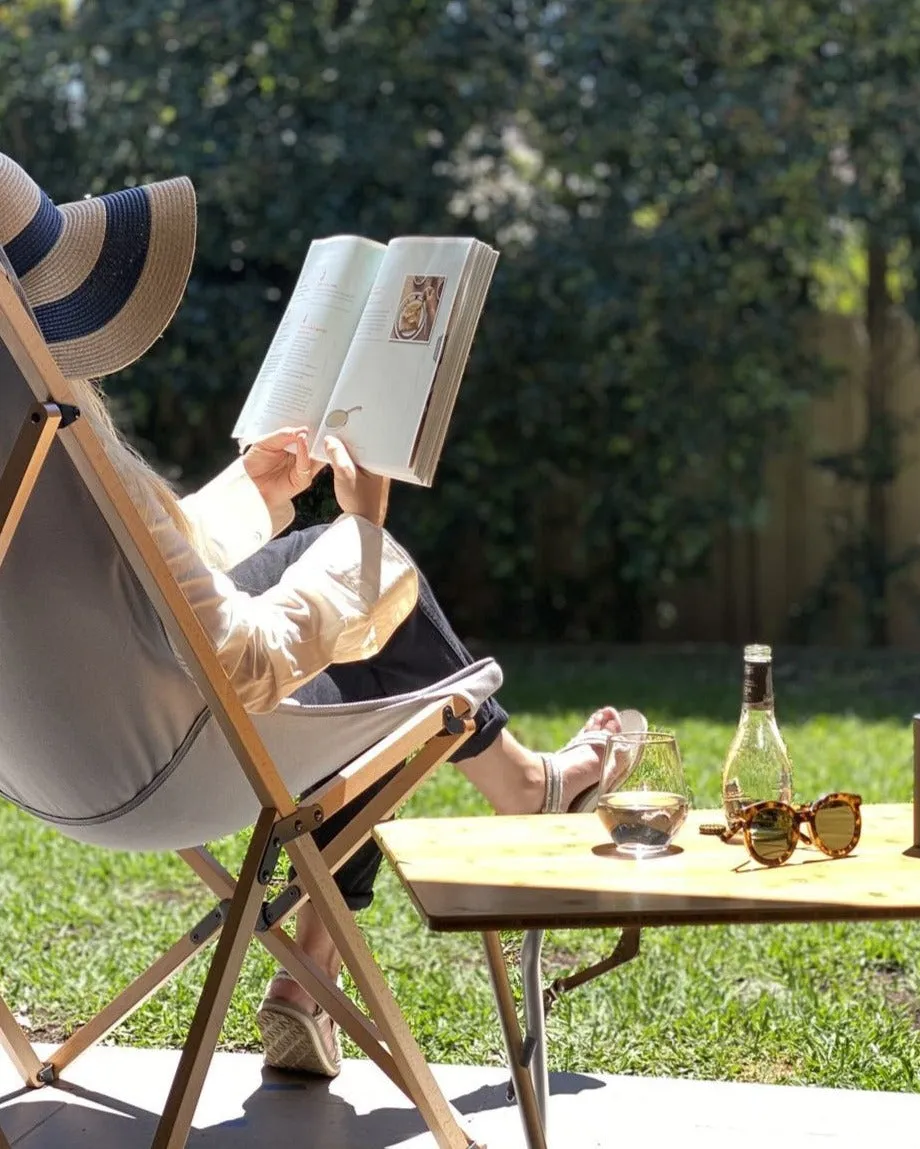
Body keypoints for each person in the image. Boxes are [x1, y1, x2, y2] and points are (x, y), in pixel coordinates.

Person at [0, 152, 644, 1078]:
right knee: (367, 619)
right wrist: (366, 530)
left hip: (43, 773)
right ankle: (513, 794)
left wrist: (260, 487)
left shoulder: (38, 462)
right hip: (171, 765)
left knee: (346, 621)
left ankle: (317, 972)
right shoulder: (70, 449)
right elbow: (241, 661)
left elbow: (131, 585)